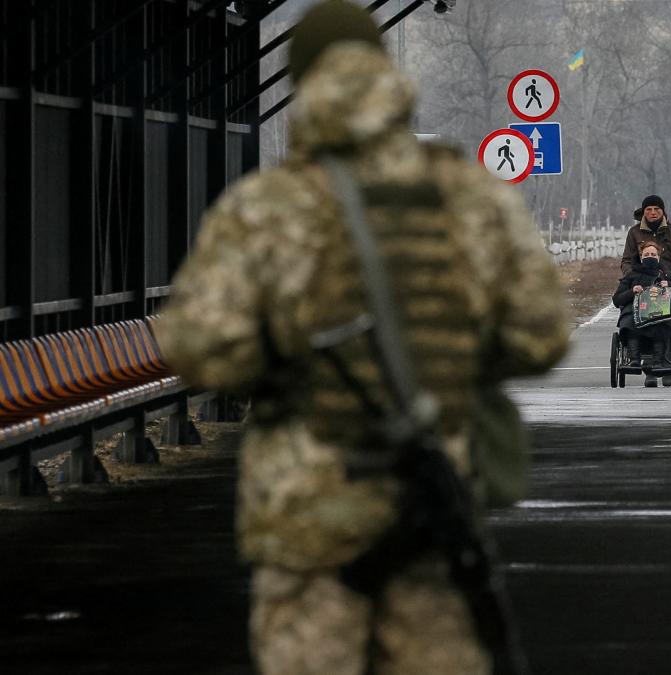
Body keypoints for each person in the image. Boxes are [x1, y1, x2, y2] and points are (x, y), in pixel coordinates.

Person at [155, 2, 569, 674]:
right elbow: (542, 333)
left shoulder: (264, 207)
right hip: (432, 507)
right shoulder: (468, 196)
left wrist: (287, 360)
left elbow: (201, 348)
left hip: (305, 520)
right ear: (384, 71)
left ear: (302, 79)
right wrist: (456, 360)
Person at [612, 241, 671, 387]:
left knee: (661, 321)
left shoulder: (666, 275)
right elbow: (617, 299)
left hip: (658, 311)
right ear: (641, 257)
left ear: (659, 257)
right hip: (635, 310)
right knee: (629, 320)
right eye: (646, 254)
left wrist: (669, 287)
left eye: (653, 255)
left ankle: (658, 362)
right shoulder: (631, 276)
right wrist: (632, 291)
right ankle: (634, 359)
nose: (650, 257)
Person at [620, 195, 671, 281]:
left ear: (663, 211)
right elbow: (626, 261)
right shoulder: (634, 232)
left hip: (670, 280)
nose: (653, 212)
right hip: (640, 281)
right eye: (649, 209)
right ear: (643, 212)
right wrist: (632, 277)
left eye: (657, 209)